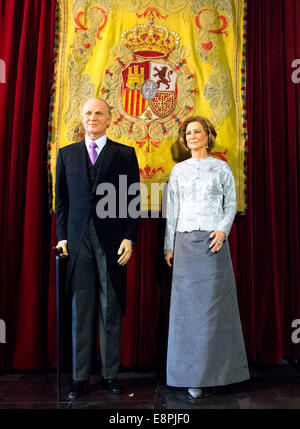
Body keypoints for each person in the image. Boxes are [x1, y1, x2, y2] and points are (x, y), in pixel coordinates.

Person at [55, 98, 140, 400]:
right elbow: (61, 203)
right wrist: (62, 236)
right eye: (88, 113)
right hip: (77, 241)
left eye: (98, 113)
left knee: (110, 307)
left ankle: (110, 374)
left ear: (109, 119)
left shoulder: (125, 154)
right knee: (82, 309)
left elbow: (132, 200)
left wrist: (129, 237)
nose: (93, 117)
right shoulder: (66, 155)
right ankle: (80, 378)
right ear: (82, 117)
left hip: (112, 239)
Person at [164, 116, 249, 399]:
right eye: (188, 132)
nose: (192, 136)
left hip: (213, 245)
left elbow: (232, 204)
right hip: (186, 244)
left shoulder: (221, 168)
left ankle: (219, 374)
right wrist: (169, 246)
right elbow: (172, 211)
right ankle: (191, 377)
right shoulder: (178, 171)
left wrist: (223, 230)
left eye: (197, 131)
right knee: (188, 315)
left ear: (208, 136)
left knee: (214, 312)